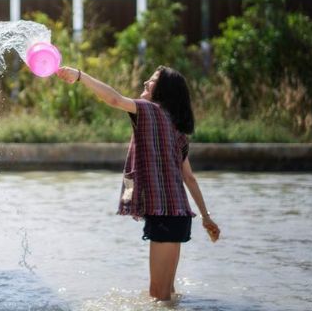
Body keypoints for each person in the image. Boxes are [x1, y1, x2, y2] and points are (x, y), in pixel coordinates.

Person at [56, 65, 221, 302]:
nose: (145, 82)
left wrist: (80, 76)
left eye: (152, 80)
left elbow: (113, 99)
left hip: (166, 217)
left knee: (158, 295)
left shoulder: (147, 110)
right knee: (169, 294)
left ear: (164, 90)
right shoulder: (178, 131)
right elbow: (190, 178)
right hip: (178, 217)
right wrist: (205, 217)